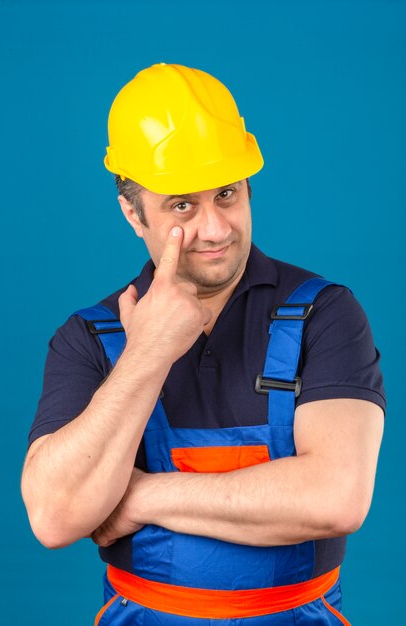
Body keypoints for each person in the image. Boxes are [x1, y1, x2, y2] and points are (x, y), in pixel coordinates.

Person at [22, 63, 385, 625]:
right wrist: (145, 354)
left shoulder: (326, 313)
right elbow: (54, 515)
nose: (216, 229)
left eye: (227, 193)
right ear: (131, 211)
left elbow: (336, 497)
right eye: (182, 205)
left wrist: (138, 496)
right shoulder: (87, 339)